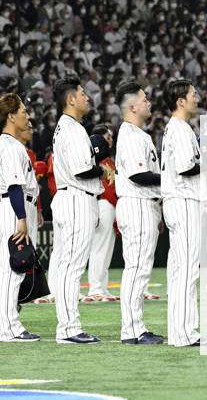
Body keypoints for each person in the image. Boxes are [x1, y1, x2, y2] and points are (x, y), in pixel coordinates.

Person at [49, 75, 104, 345]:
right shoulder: (72, 128)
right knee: (71, 267)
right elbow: (83, 170)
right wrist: (103, 169)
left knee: (68, 266)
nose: (86, 97)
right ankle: (69, 328)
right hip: (75, 199)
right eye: (82, 93)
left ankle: (69, 326)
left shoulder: (67, 126)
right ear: (70, 99)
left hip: (71, 198)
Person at [113, 81, 164, 345]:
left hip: (144, 204)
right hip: (137, 203)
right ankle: (132, 329)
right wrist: (171, 180)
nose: (148, 102)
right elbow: (139, 175)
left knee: (139, 268)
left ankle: (135, 326)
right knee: (137, 268)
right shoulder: (131, 135)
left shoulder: (136, 134)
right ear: (132, 106)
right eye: (144, 99)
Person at [0, 93, 42, 342]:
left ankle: (7, 325)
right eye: (22, 110)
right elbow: (14, 187)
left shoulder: (11, 144)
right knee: (12, 271)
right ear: (11, 115)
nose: (26, 114)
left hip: (17, 207)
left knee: (14, 272)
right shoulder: (9, 145)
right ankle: (8, 327)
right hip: (13, 208)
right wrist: (21, 217)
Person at [160, 78, 202, 347]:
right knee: (187, 270)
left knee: (180, 270)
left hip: (178, 201)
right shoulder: (180, 128)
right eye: (193, 94)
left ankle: (181, 331)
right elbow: (187, 167)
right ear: (180, 101)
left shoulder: (176, 128)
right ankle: (185, 333)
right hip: (184, 200)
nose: (196, 98)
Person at [86, 123, 118, 302]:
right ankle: (95, 288)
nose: (110, 141)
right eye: (107, 137)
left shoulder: (108, 159)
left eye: (111, 137)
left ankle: (102, 288)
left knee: (106, 249)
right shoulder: (96, 158)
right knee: (99, 247)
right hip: (102, 203)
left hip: (111, 204)